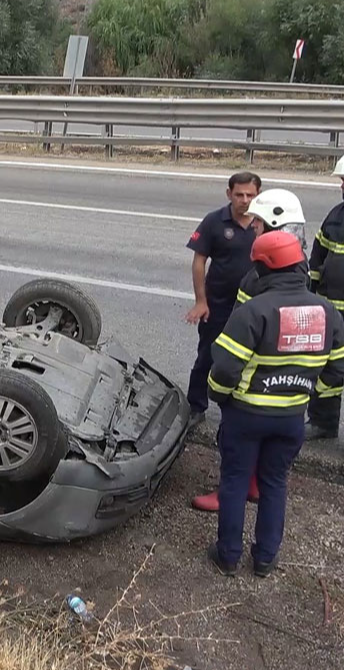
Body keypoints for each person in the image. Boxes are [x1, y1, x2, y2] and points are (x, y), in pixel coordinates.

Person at [205, 230, 344, 577]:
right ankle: (265, 559)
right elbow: (338, 368)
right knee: (274, 484)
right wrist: (307, 393)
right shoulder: (328, 311)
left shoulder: (253, 311)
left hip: (246, 415)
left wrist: (220, 397)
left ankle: (228, 556)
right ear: (298, 264)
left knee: (235, 482)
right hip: (291, 418)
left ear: (261, 269)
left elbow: (224, 367)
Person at [191, 188, 309, 513]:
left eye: (257, 221)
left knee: (236, 436)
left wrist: (222, 380)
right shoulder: (299, 262)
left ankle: (232, 491)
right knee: (271, 449)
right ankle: (256, 484)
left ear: (272, 222)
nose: (252, 225)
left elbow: (242, 330)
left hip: (254, 374)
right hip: (289, 377)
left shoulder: (261, 275)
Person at [184, 172, 262, 427]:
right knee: (208, 355)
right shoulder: (214, 221)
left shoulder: (264, 223)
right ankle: (195, 406)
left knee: (250, 360)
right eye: (239, 194)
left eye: (250, 195)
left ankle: (240, 410)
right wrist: (200, 301)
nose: (245, 200)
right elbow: (199, 261)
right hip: (218, 304)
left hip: (253, 307)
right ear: (229, 194)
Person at [305, 155, 344, 440]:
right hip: (332, 311)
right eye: (343, 181)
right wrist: (310, 292)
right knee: (327, 366)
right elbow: (318, 256)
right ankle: (323, 423)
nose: (342, 187)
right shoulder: (337, 215)